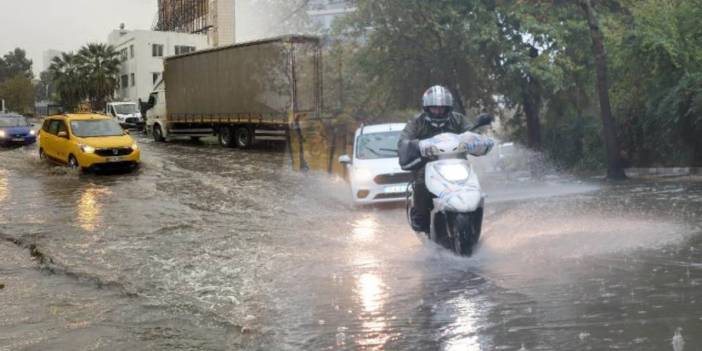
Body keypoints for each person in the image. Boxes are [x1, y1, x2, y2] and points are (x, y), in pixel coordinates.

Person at [397, 85, 489, 233]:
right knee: (421, 182)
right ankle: (420, 214)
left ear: (449, 108)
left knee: (474, 183)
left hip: (458, 163)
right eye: (434, 108)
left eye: (442, 108)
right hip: (427, 164)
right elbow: (404, 141)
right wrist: (412, 146)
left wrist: (477, 140)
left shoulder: (458, 119)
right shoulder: (416, 122)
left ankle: (475, 213)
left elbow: (471, 132)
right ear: (427, 108)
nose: (439, 112)